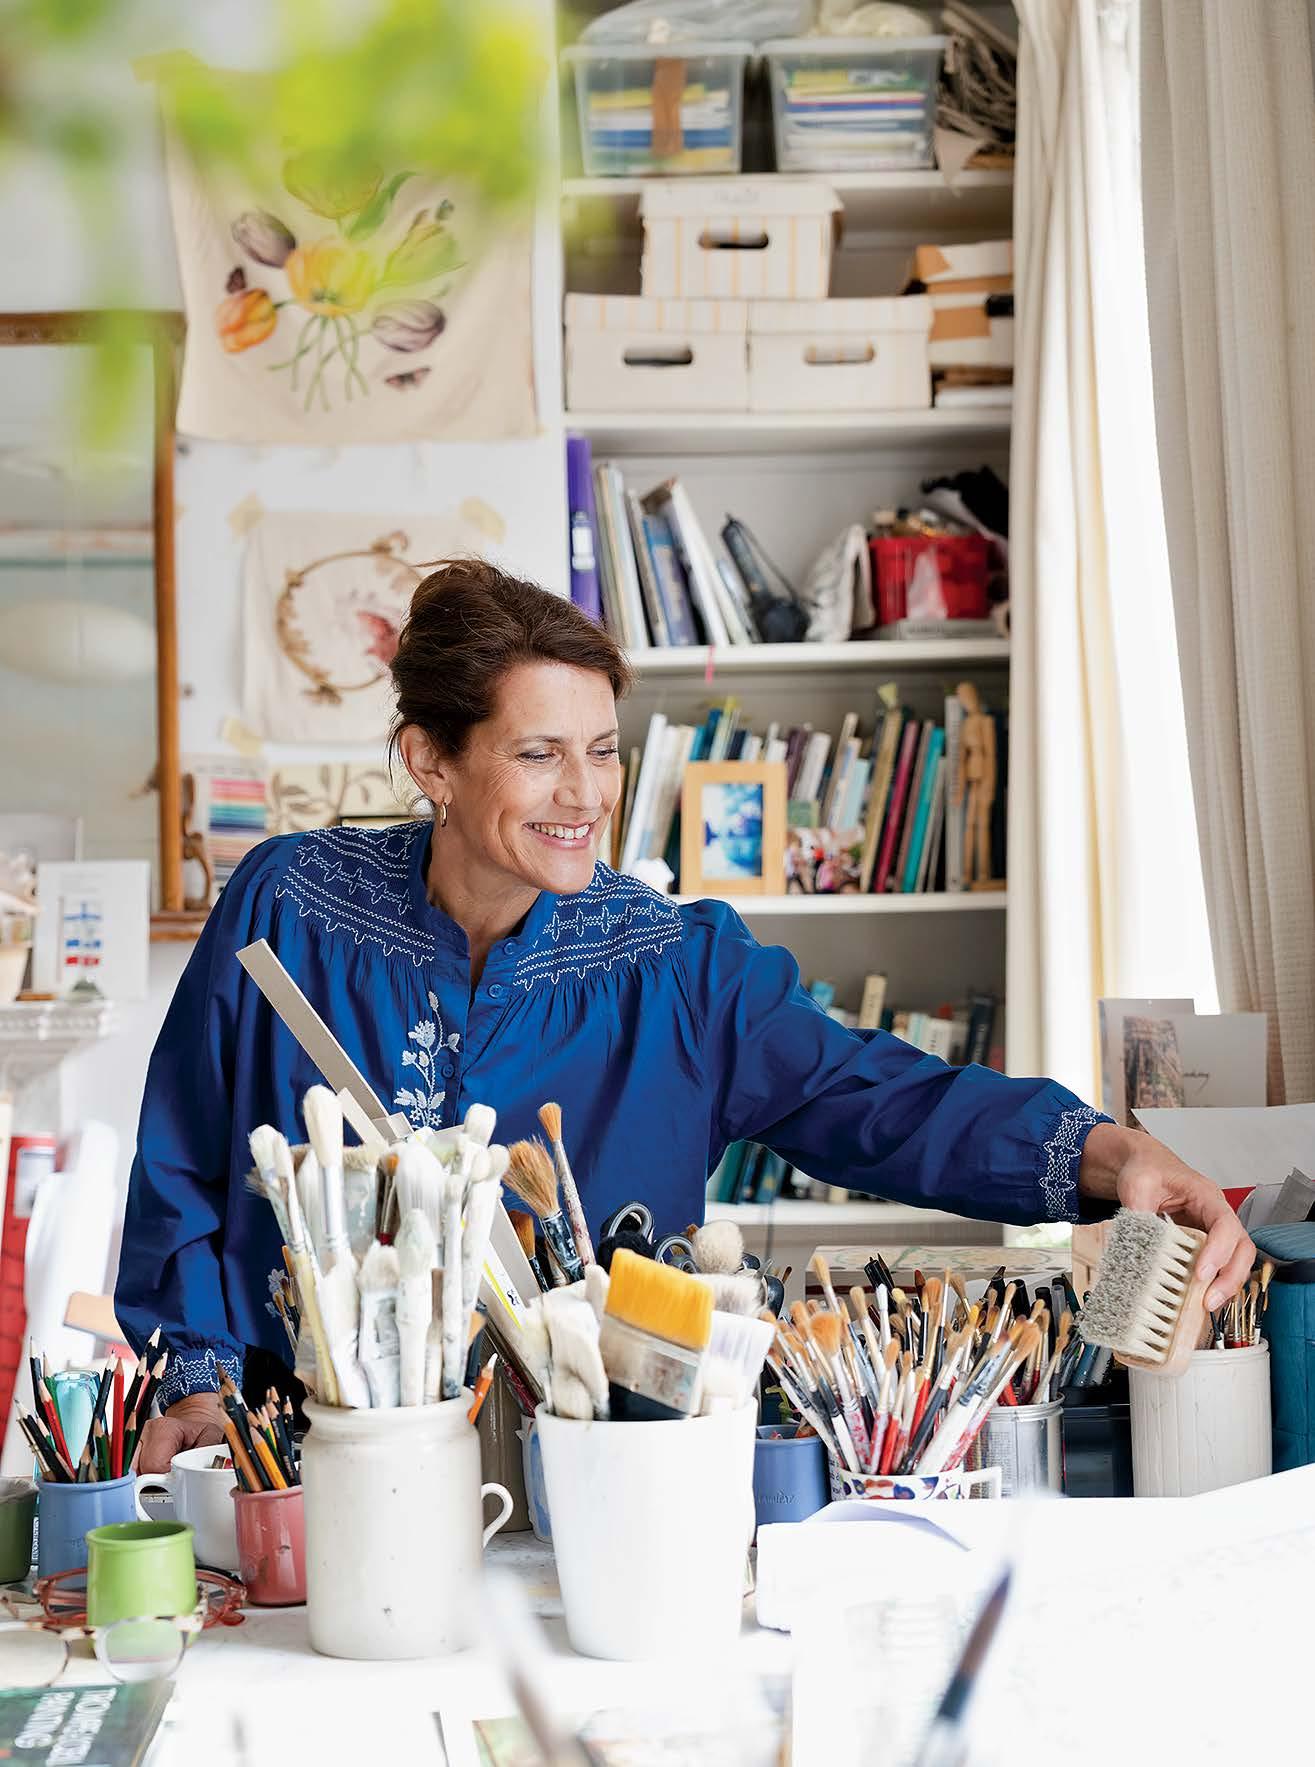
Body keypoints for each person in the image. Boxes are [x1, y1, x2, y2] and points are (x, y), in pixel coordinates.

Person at [117, 560, 1253, 1469]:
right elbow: (182, 1160)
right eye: (539, 754)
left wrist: (1112, 1155)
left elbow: (877, 1098)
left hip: (591, 1478)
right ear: (432, 761)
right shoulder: (288, 908)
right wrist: (197, 1386)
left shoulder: (679, 966)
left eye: (603, 752)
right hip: (304, 1469)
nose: (585, 794)